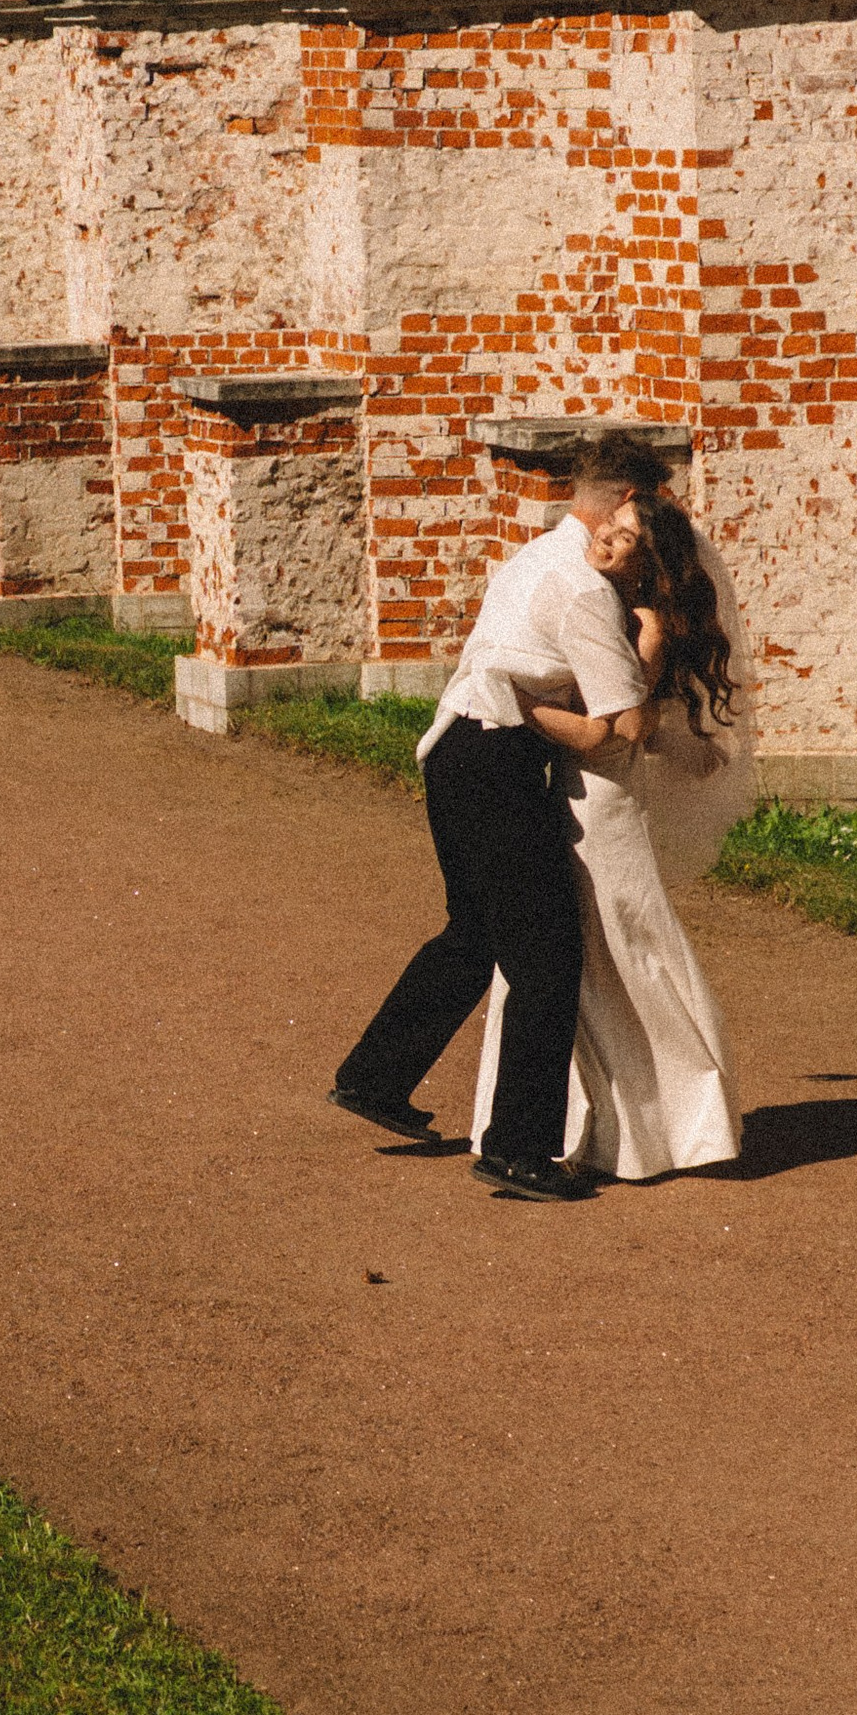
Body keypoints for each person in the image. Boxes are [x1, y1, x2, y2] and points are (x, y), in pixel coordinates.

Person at [330, 439, 659, 1202]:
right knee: (546, 954)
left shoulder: (536, 554)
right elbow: (625, 719)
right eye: (653, 506)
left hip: (453, 751)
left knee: (473, 930)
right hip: (497, 762)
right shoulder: (583, 589)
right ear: (622, 505)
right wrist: (646, 622)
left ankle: (374, 1078)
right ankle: (516, 1150)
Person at [471, 485, 744, 1182]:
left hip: (601, 802)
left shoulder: (643, 622)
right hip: (571, 791)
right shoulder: (602, 603)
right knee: (572, 957)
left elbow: (620, 727)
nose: (606, 539)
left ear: (644, 564)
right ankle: (576, 1124)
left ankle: (672, 1123)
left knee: (622, 947)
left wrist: (525, 705)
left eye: (624, 538)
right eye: (611, 528)